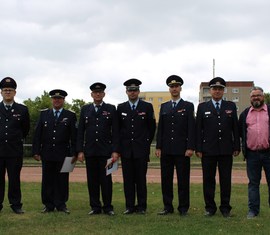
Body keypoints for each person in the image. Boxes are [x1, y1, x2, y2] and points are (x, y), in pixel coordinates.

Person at [195, 77, 240, 217]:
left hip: (226, 150)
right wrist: (198, 148)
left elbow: (235, 128)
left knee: (225, 180)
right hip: (208, 150)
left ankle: (225, 208)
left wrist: (236, 146)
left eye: (220, 89)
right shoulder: (202, 107)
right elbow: (198, 130)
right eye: (214, 88)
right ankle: (210, 208)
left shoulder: (230, 106)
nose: (217, 91)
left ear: (223, 90)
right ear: (211, 90)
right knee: (208, 180)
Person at [77, 82, 119, 216]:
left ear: (104, 94)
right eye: (95, 92)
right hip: (90, 151)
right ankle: (95, 206)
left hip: (106, 152)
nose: (98, 94)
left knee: (106, 180)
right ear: (91, 94)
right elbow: (80, 131)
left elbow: (116, 132)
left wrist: (115, 150)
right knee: (92, 180)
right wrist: (80, 150)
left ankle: (108, 207)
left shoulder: (111, 109)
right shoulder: (85, 109)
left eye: (100, 92)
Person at [155, 75, 195, 216]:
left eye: (176, 86)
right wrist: (158, 146)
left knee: (183, 180)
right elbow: (161, 129)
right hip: (166, 150)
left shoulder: (188, 106)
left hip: (182, 150)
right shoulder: (164, 106)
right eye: (172, 87)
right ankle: (167, 207)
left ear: (180, 88)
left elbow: (191, 128)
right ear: (169, 89)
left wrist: (190, 147)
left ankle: (183, 208)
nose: (174, 89)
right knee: (166, 180)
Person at [32, 89, 77, 214]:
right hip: (47, 153)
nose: (57, 100)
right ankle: (48, 205)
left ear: (63, 100)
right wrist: (36, 151)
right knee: (47, 180)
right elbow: (37, 135)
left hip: (65, 154)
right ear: (52, 100)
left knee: (62, 180)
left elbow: (74, 136)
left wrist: (75, 153)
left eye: (60, 98)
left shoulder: (70, 115)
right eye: (54, 98)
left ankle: (61, 204)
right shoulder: (44, 114)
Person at [117, 78, 156, 215]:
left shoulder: (147, 107)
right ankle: (129, 206)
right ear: (126, 92)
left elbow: (151, 128)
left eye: (135, 90)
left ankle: (141, 206)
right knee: (128, 180)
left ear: (138, 91)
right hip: (126, 150)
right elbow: (118, 130)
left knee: (140, 179)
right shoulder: (121, 107)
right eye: (130, 90)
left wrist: (146, 143)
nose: (132, 92)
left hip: (141, 150)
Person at [239, 86, 270, 219]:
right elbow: (241, 133)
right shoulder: (245, 114)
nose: (256, 98)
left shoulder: (269, 111)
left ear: (263, 96)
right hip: (252, 155)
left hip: (269, 153)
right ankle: (253, 211)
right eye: (253, 96)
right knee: (253, 184)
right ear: (250, 98)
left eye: (258, 95)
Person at [0, 77, 30, 214]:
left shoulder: (22, 110)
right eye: (5, 90)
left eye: (10, 90)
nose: (7, 92)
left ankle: (16, 204)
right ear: (1, 92)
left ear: (15, 92)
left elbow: (25, 130)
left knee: (14, 180)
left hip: (14, 151)